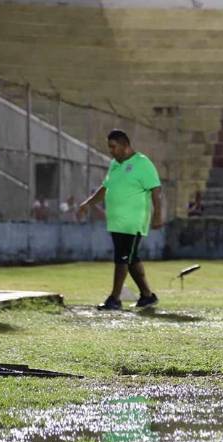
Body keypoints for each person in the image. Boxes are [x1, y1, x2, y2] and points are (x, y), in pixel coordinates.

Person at [77, 130, 163, 311]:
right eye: (109, 147)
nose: (111, 151)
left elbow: (156, 191)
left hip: (133, 223)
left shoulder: (142, 163)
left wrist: (157, 215)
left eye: (113, 147)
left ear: (125, 145)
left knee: (122, 258)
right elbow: (106, 187)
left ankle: (114, 298)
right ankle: (147, 296)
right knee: (130, 259)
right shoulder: (115, 165)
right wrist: (88, 203)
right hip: (116, 223)